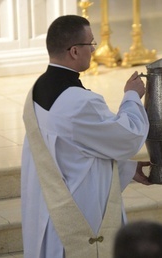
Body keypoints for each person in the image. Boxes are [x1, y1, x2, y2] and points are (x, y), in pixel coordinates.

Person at [21, 15, 151, 257]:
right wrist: (132, 97)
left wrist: (125, 170)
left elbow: (70, 152)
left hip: (49, 210)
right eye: (90, 44)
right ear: (73, 51)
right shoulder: (80, 103)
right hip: (79, 214)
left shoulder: (37, 89)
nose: (93, 50)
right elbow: (127, 138)